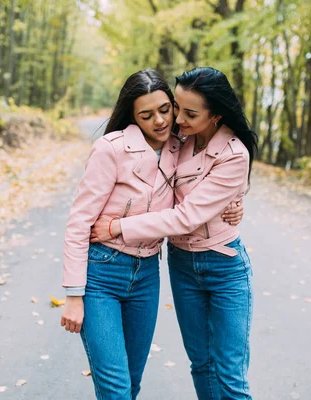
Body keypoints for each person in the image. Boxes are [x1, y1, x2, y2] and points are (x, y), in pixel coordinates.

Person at [60, 69, 243, 399]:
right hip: (102, 272)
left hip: (146, 274)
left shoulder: (180, 145)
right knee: (116, 388)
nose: (160, 121)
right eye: (146, 115)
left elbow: (198, 195)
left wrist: (235, 204)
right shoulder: (111, 149)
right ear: (132, 116)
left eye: (165, 109)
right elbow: (78, 222)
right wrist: (73, 294)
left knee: (132, 382)